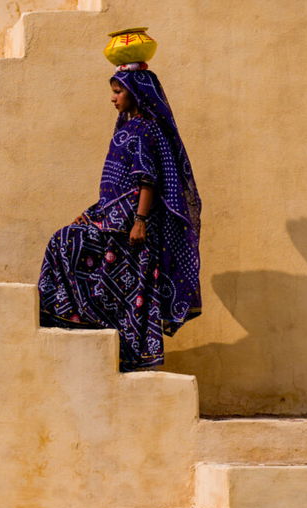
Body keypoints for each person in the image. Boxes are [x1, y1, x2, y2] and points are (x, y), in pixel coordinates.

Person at [37, 63, 201, 369]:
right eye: (113, 92)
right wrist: (89, 215)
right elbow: (113, 188)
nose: (113, 99)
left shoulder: (147, 130)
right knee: (63, 242)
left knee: (66, 244)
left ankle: (95, 326)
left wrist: (139, 221)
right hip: (110, 220)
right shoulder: (127, 129)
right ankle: (83, 321)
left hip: (129, 229)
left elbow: (147, 180)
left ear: (136, 92)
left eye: (118, 91)